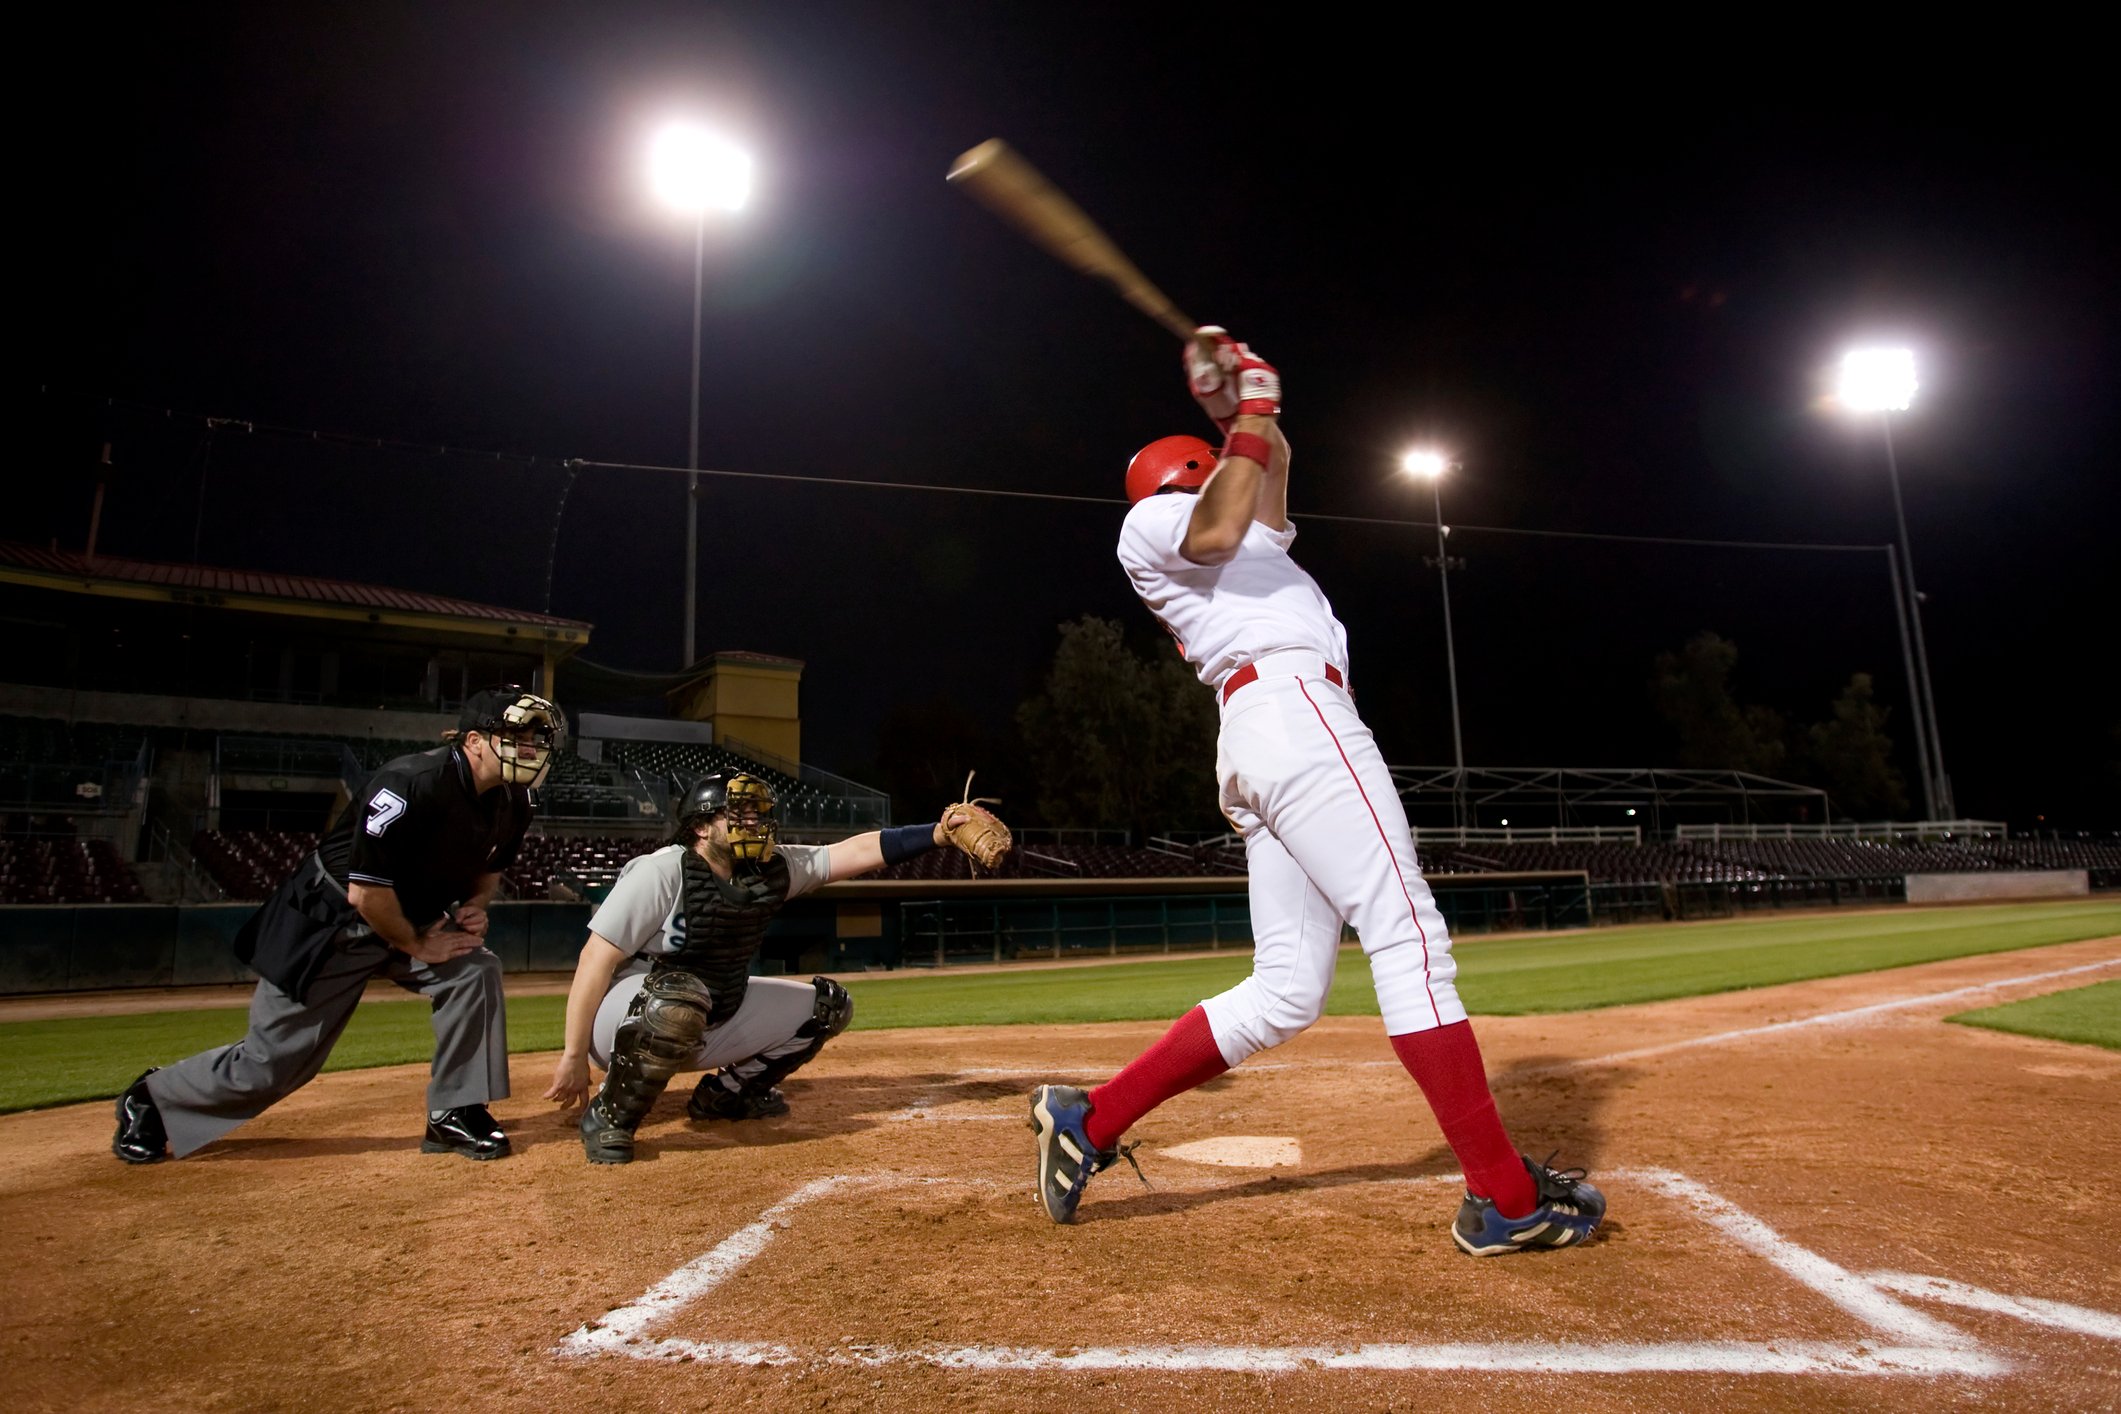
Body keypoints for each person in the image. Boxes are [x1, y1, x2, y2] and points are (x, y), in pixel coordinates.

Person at [1027, 330, 1606, 1256]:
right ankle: (1501, 1197)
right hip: (1293, 713)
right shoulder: (1157, 526)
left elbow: (1267, 481)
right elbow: (1217, 521)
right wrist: (1245, 419)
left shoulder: (1251, 538)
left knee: (1288, 991)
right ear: (1191, 476)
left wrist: (1248, 411)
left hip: (1270, 732)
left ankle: (1090, 1119)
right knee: (1409, 935)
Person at [111, 686, 562, 1164]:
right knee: (272, 1066)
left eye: (537, 738)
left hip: (413, 915)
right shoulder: (409, 782)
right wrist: (416, 944)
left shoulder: (517, 801)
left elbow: (490, 870)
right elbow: (365, 893)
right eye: (517, 736)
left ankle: (455, 1110)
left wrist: (475, 904)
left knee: (475, 970)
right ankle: (152, 1098)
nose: (531, 749)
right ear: (474, 740)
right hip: (330, 921)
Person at [543, 771, 994, 1163]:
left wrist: (935, 834)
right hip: (626, 1015)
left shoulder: (771, 867)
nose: (753, 823)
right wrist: (572, 1056)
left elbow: (848, 853)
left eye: (757, 813)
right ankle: (610, 1115)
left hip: (713, 1004)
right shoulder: (661, 872)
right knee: (678, 997)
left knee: (827, 1007)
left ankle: (726, 1096)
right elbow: (593, 960)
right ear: (700, 827)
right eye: (738, 814)